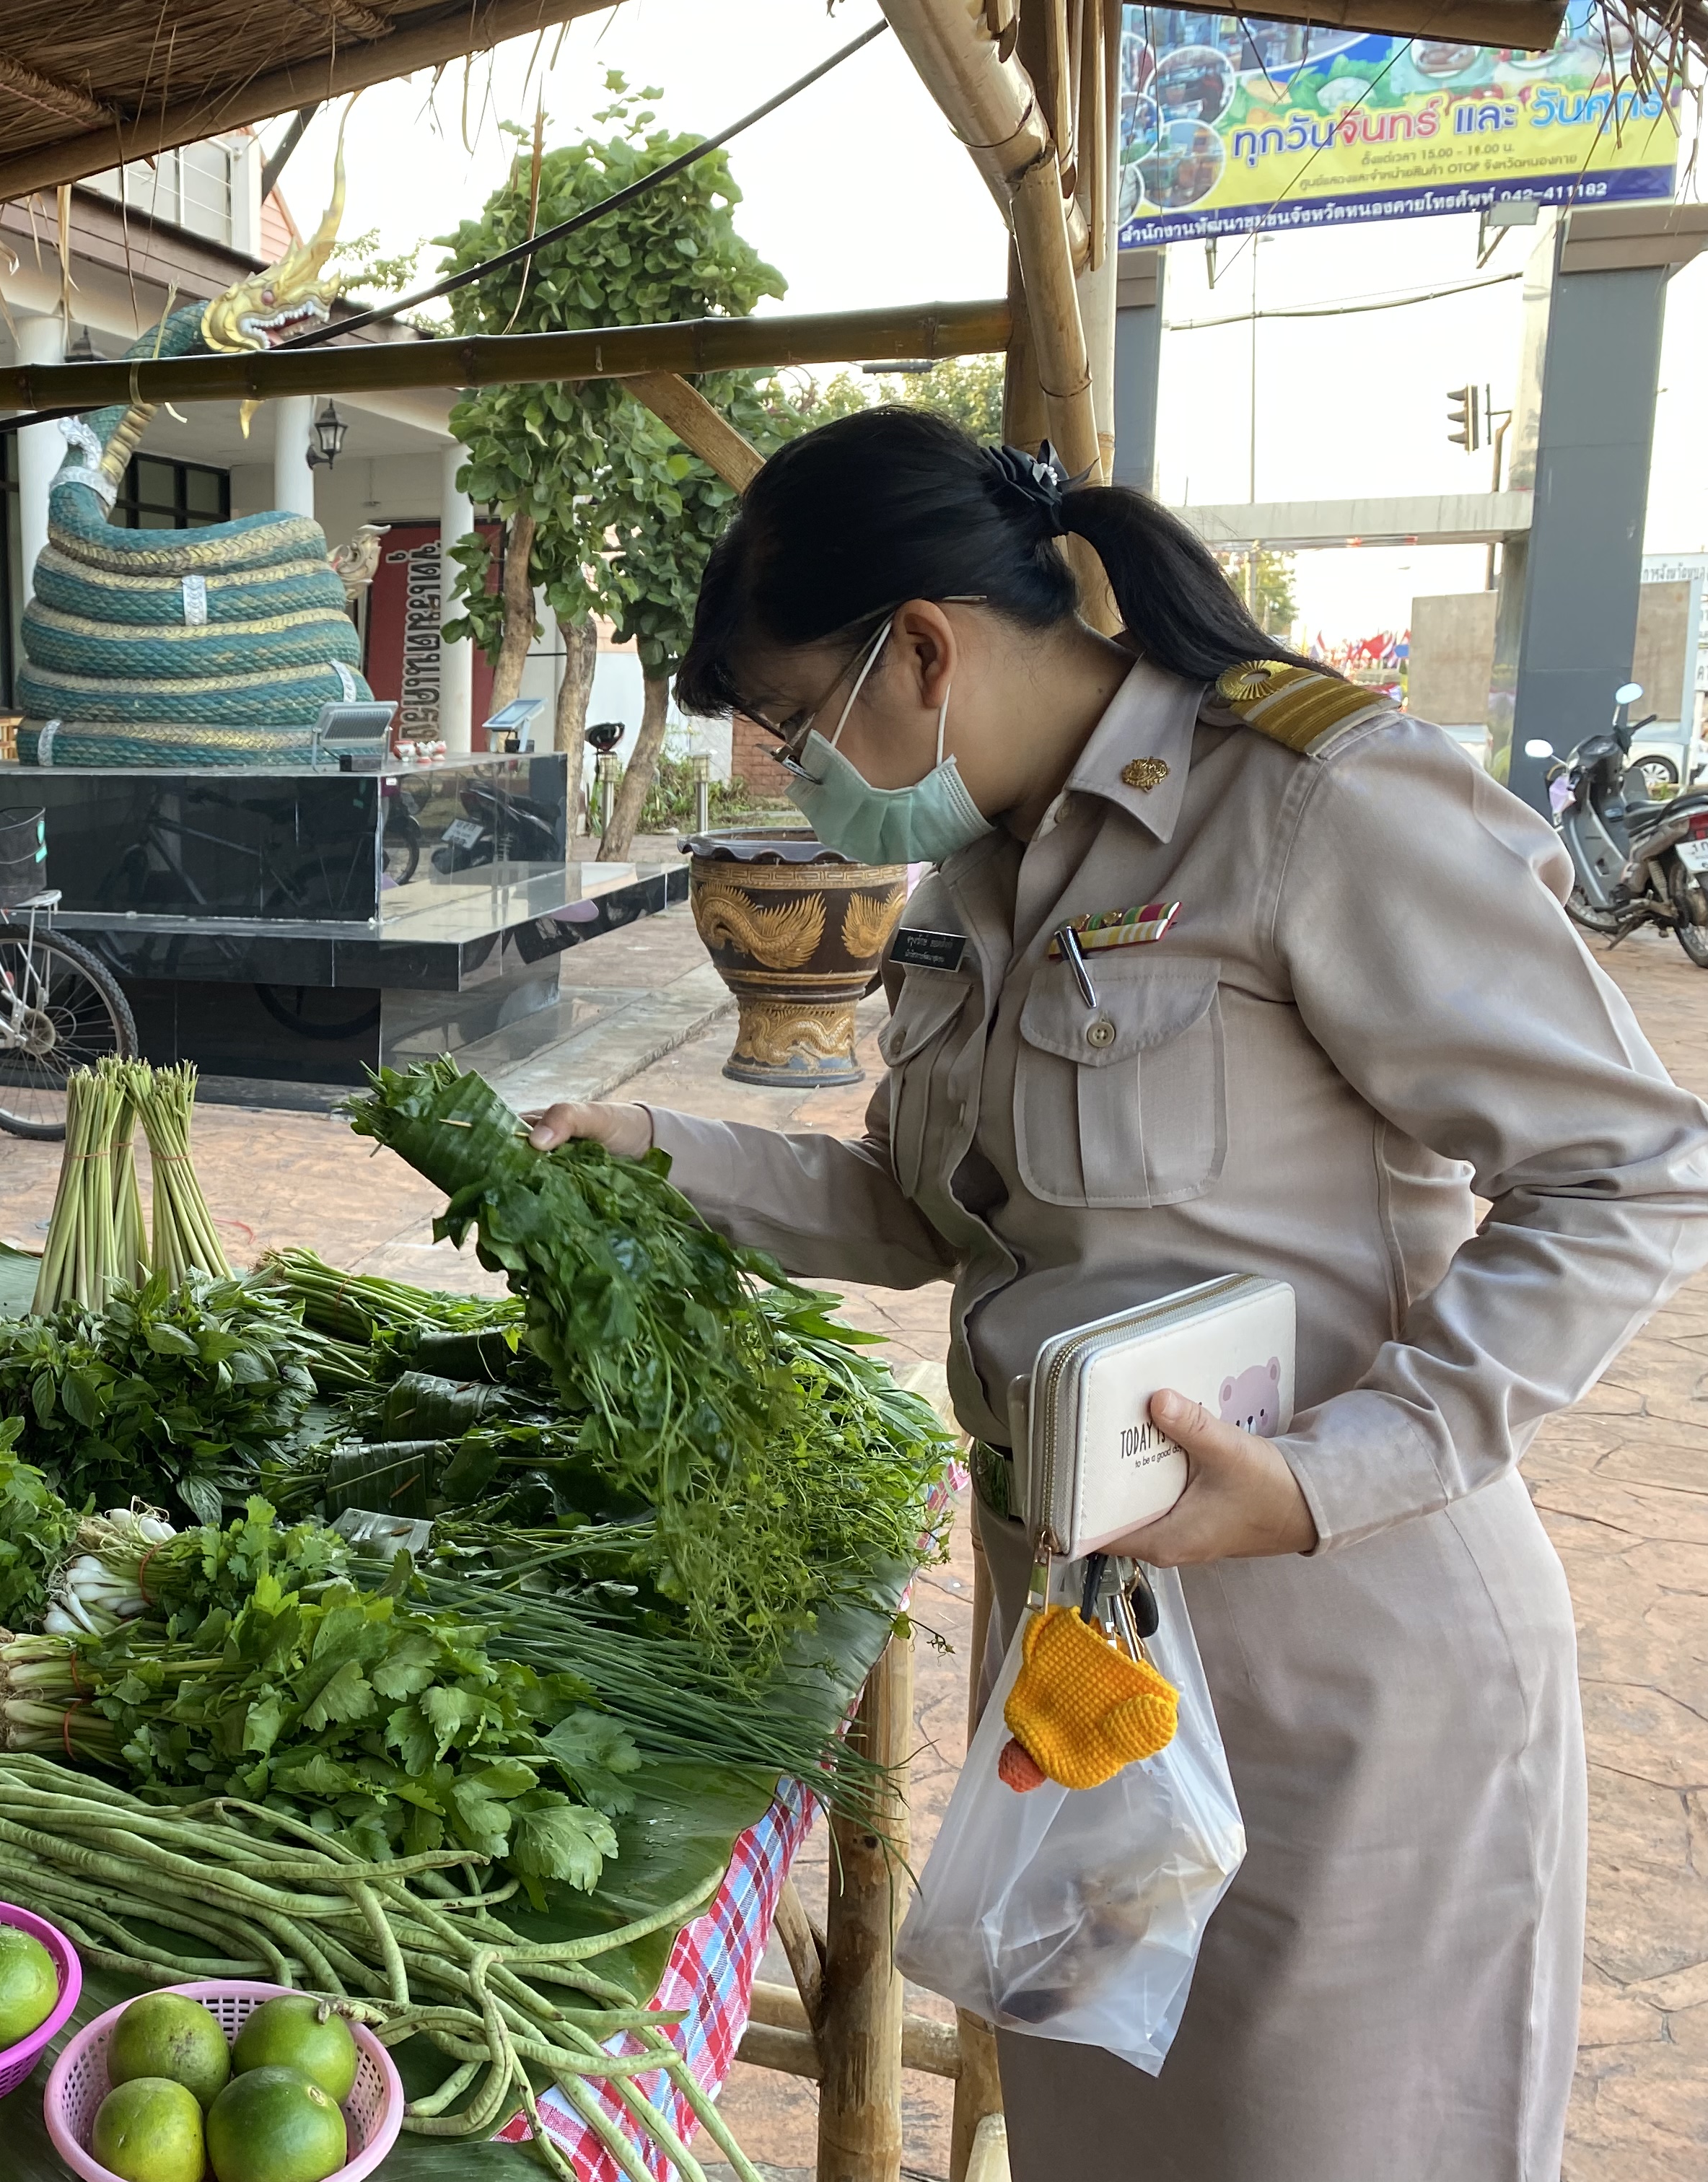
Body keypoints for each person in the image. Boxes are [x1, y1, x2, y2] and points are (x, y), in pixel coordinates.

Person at [530, 410, 1708, 2179]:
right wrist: (643, 1149)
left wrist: (1329, 1475)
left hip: (1339, 1680)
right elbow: (922, 1208)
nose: (788, 772)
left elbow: (1630, 1171)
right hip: (1082, 1678)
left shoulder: (1311, 800)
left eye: (792, 722)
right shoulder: (974, 873)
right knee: (1101, 2146)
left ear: (920, 649)